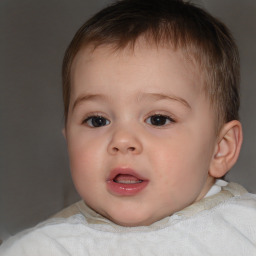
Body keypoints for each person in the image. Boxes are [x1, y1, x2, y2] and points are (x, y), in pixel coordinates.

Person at [1, 0, 256, 255]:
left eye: (158, 119)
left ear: (220, 149)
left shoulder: (246, 230)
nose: (122, 140)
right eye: (97, 120)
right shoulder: (45, 248)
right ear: (68, 140)